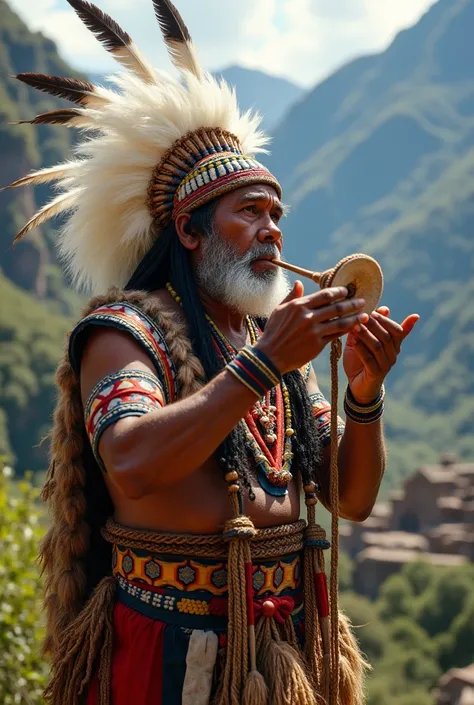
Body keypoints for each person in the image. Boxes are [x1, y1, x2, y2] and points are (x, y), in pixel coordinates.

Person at [7, 1, 419, 703]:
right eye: (250, 212)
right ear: (191, 232)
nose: (273, 232)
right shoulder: (123, 332)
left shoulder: (271, 349)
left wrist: (363, 391)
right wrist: (263, 367)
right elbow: (132, 462)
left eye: (278, 216)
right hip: (167, 660)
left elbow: (350, 499)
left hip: (285, 649)